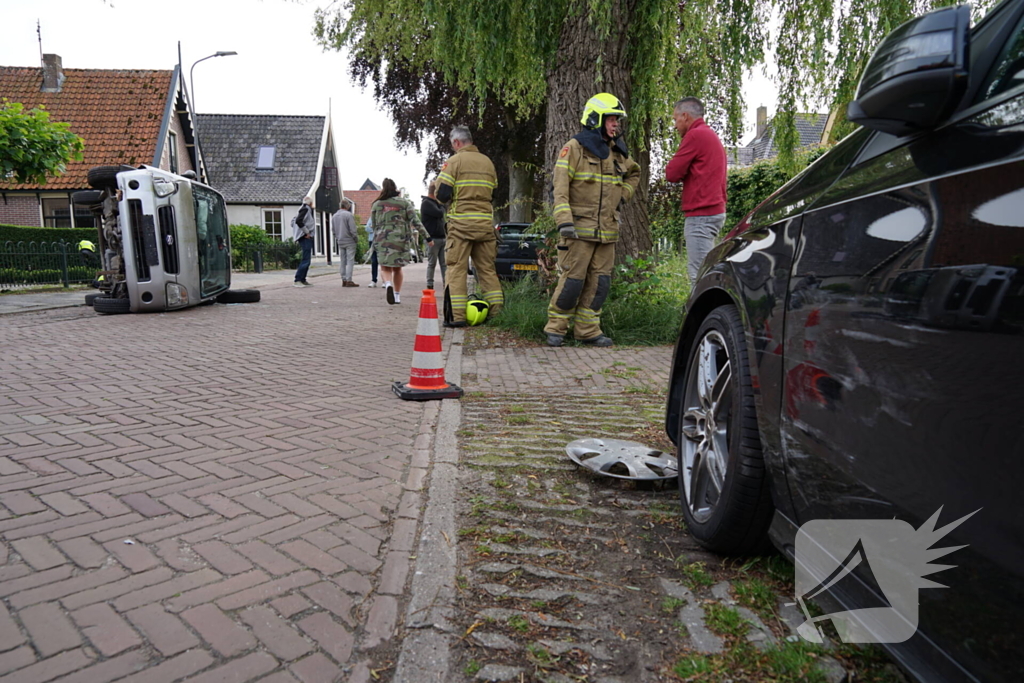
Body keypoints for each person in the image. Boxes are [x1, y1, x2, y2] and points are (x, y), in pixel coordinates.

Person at [544, 93, 641, 348]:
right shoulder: (574, 148)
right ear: (596, 119)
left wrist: (623, 195)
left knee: (600, 284)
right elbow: (560, 187)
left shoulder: (616, 152)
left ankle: (587, 330)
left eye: (616, 120)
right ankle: (556, 328)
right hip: (577, 231)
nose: (615, 125)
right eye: (611, 119)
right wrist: (564, 221)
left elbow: (634, 173)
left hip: (607, 232)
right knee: (573, 282)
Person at [436, 125, 502, 327]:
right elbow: (494, 193)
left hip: (460, 227)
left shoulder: (454, 162)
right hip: (484, 226)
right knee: (487, 270)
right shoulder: (487, 163)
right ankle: (497, 313)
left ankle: (456, 317)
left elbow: (442, 195)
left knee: (456, 270)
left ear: (456, 142)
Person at [665, 97, 728, 282]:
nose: (675, 125)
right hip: (712, 211)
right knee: (705, 270)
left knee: (700, 276)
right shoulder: (708, 134)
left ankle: (705, 311)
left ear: (685, 116)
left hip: (701, 214)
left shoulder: (695, 135)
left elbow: (672, 173)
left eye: (675, 119)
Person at [371, 178, 432, 305]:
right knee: (397, 269)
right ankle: (397, 296)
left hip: (382, 239)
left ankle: (388, 284)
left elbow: (374, 225)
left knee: (385, 268)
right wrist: (427, 237)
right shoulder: (404, 203)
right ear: (395, 188)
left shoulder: (377, 204)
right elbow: (416, 221)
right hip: (400, 240)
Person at [421, 179, 447, 290]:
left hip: (442, 237)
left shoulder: (435, 204)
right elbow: (439, 213)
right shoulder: (427, 203)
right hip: (433, 239)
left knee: (444, 264)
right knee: (432, 263)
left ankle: (446, 283)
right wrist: (443, 204)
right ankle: (430, 284)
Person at [332, 198, 359, 286]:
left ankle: (343, 279)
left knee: (342, 260)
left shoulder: (334, 216)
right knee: (350, 260)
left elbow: (333, 230)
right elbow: (353, 229)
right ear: (347, 206)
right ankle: (349, 280)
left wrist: (337, 237)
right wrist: (355, 238)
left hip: (340, 240)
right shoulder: (348, 215)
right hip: (349, 240)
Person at [292, 196, 316, 287]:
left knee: (307, 259)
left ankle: (303, 279)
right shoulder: (305, 209)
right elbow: (298, 221)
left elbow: (293, 221)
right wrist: (306, 232)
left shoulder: (301, 209)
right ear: (310, 203)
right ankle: (298, 280)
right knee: (306, 259)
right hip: (305, 237)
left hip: (304, 236)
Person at [365, 214, 379, 287]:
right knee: (374, 261)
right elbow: (367, 228)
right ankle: (374, 280)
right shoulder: (371, 218)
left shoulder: (383, 217)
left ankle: (385, 281)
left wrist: (373, 227)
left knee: (383, 261)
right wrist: (375, 228)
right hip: (372, 241)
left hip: (381, 241)